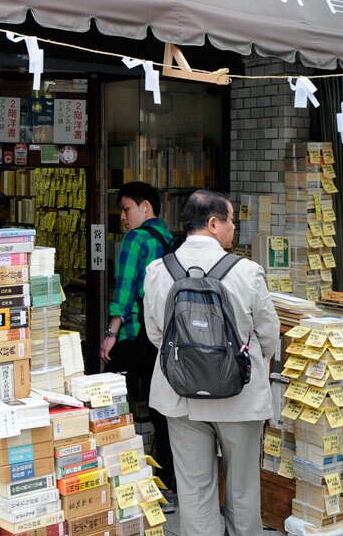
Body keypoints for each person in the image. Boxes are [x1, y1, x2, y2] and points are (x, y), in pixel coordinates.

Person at [143, 189, 279, 536]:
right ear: (214, 222)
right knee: (243, 486)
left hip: (180, 396)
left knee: (194, 488)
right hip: (239, 395)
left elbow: (156, 335)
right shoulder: (247, 272)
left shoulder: (159, 270)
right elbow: (268, 337)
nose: (234, 228)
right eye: (232, 221)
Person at [100, 181, 176, 511]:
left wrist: (111, 332)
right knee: (160, 410)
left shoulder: (136, 238)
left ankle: (118, 472)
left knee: (111, 398)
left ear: (146, 208)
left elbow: (126, 288)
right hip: (163, 336)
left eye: (126, 208)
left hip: (134, 333)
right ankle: (170, 485)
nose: (122, 216)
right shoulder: (170, 240)